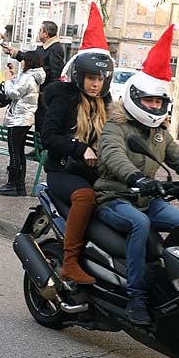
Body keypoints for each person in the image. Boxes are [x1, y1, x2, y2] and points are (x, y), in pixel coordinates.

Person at [95, 25, 179, 326]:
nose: (153, 106)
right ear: (135, 96)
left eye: (158, 102)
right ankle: (136, 296)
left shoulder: (160, 134)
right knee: (140, 224)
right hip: (114, 197)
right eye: (148, 100)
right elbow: (112, 155)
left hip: (148, 198)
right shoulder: (117, 126)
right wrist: (135, 177)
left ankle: (177, 283)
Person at [41, 25, 114, 292]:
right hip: (63, 172)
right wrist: (78, 147)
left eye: (101, 79)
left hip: (94, 172)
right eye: (91, 78)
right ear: (80, 76)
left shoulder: (107, 105)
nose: (96, 84)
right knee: (85, 197)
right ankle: (70, 261)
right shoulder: (65, 99)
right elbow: (47, 137)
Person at [0, 50, 45, 196]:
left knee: (14, 153)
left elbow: (13, 93)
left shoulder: (29, 77)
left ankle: (12, 185)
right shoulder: (31, 76)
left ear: (29, 62)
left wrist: (8, 79)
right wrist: (14, 74)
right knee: (19, 152)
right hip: (24, 119)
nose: (21, 62)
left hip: (18, 119)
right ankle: (19, 186)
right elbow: (20, 89)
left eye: (23, 60)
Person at [3, 19, 65, 134]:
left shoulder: (56, 48)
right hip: (39, 92)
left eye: (40, 30)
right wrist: (13, 52)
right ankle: (38, 148)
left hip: (45, 94)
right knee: (39, 122)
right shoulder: (43, 48)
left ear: (46, 33)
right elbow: (30, 59)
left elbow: (55, 73)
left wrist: (44, 89)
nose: (38, 32)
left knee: (43, 123)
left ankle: (41, 150)